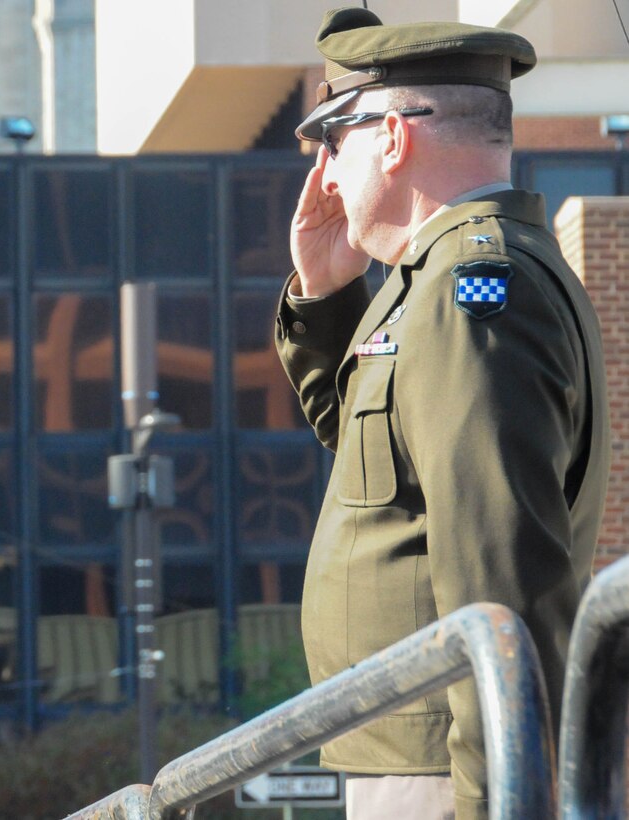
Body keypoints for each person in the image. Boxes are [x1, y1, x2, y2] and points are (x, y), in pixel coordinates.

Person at [275, 7, 611, 820]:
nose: (324, 172)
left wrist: (503, 799)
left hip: (446, 769)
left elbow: (500, 580)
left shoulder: (470, 296)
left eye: (334, 140)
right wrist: (324, 294)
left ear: (393, 138)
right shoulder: (435, 279)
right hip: (420, 751)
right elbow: (372, 459)